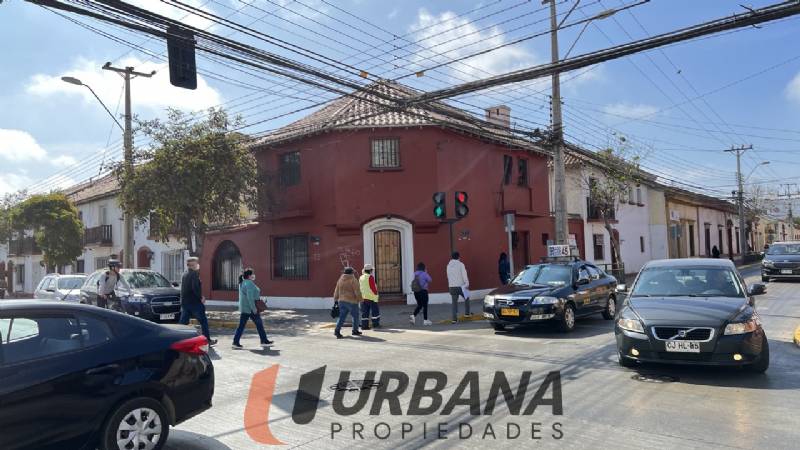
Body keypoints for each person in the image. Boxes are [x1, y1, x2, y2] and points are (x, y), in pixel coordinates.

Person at [179, 257, 216, 346]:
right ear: (192, 265)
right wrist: (201, 298)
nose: (198, 265)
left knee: (183, 324)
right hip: (194, 303)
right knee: (203, 321)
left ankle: (178, 339)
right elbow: (195, 288)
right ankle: (207, 340)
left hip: (185, 303)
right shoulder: (194, 274)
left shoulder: (184, 274)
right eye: (196, 263)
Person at [233, 268, 273, 349]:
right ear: (249, 275)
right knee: (259, 324)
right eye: (252, 274)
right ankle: (264, 341)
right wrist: (254, 309)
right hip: (251, 308)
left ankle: (235, 342)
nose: (253, 275)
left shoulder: (243, 282)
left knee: (242, 326)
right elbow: (250, 298)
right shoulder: (249, 283)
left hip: (245, 308)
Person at [333, 267, 363, 339]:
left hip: (341, 301)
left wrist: (336, 299)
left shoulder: (340, 279)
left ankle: (337, 331)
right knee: (355, 316)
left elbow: (336, 290)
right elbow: (357, 292)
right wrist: (360, 300)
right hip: (352, 301)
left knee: (341, 317)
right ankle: (355, 330)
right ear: (351, 273)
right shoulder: (353, 280)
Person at [447, 251, 470, 324]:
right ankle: (467, 314)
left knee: (454, 303)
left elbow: (448, 276)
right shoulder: (461, 264)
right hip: (461, 286)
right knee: (467, 298)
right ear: (458, 257)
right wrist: (467, 283)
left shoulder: (448, 265)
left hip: (452, 287)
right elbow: (464, 275)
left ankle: (454, 319)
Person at [359, 264, 380, 329]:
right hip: (371, 297)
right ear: (370, 270)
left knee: (365, 312)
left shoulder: (361, 277)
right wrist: (376, 294)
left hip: (363, 297)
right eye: (372, 270)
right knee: (375, 312)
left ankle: (364, 326)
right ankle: (375, 324)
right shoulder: (370, 277)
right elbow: (373, 287)